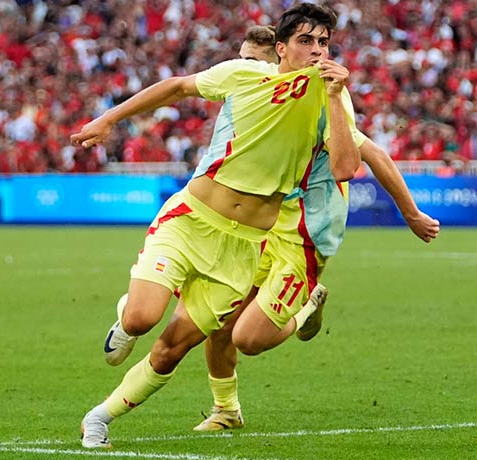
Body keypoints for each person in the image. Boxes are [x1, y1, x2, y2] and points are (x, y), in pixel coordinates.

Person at [72, 3, 360, 448]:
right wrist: (108, 119)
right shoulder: (246, 74)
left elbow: (344, 168)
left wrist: (339, 96)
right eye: (306, 41)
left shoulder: (332, 97)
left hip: (244, 248)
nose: (317, 51)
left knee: (173, 346)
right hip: (192, 220)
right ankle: (126, 318)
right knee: (142, 317)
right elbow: (177, 88)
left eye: (324, 42)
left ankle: (99, 418)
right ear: (281, 48)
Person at [195, 135, 441, 432]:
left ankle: (307, 307)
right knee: (220, 320)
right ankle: (226, 410)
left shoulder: (322, 109)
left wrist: (412, 214)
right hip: (261, 225)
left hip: (305, 237)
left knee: (247, 339)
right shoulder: (266, 103)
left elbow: (374, 155)